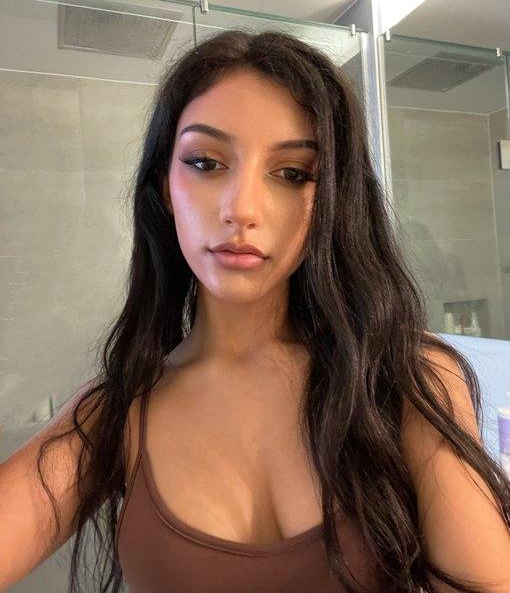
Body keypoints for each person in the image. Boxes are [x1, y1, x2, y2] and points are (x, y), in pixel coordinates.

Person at [1, 29, 509, 593]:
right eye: (205, 162)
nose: (241, 209)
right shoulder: (116, 411)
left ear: (332, 199)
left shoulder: (406, 379)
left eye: (292, 173)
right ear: (165, 186)